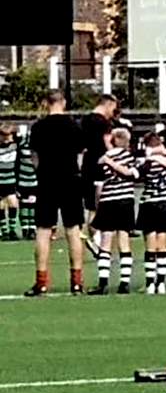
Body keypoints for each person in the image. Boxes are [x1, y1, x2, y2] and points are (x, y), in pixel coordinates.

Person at [25, 91, 86, 297]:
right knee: (73, 231)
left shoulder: (39, 127)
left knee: (43, 231)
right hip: (70, 179)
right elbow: (80, 156)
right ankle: (76, 281)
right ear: (64, 103)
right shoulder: (75, 126)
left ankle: (41, 282)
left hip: (47, 180)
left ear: (45, 104)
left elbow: (35, 157)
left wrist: (41, 172)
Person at [89, 128, 139, 295]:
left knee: (106, 241)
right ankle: (124, 282)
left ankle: (103, 283)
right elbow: (131, 174)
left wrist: (97, 206)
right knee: (124, 241)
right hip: (125, 201)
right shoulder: (129, 156)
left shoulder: (104, 158)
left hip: (108, 201)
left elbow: (99, 185)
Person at [137, 131, 166, 295]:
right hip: (164, 203)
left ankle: (150, 284)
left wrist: (152, 157)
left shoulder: (146, 162)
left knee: (150, 242)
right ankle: (161, 283)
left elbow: (135, 174)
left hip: (148, 203)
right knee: (162, 241)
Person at [80, 94, 119, 253]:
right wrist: (118, 158)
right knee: (104, 205)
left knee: (91, 208)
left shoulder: (84, 120)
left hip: (87, 167)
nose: (113, 112)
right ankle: (101, 244)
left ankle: (95, 242)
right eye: (113, 108)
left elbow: (82, 146)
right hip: (103, 166)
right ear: (108, 105)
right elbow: (107, 143)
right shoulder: (104, 122)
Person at [15, 124, 38, 240]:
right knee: (24, 203)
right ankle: (25, 229)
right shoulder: (21, 146)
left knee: (32, 203)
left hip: (34, 180)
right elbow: (16, 163)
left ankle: (32, 229)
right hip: (22, 180)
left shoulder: (39, 148)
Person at [0, 126, 18, 241]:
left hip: (11, 181)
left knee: (13, 203)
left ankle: (12, 230)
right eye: (3, 135)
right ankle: (4, 230)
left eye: (8, 135)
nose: (6, 138)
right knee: (0, 206)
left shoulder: (15, 146)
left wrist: (17, 135)